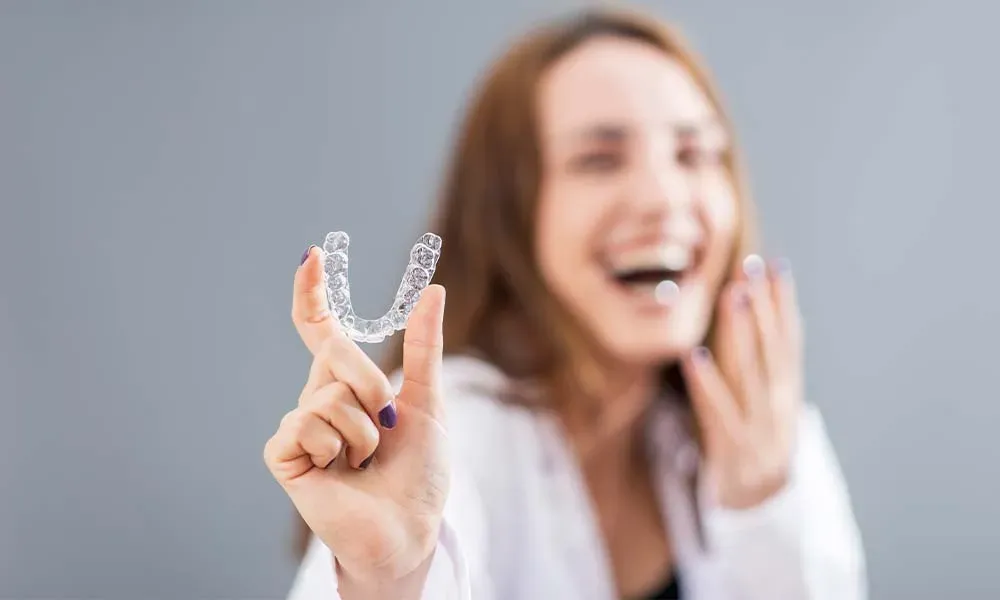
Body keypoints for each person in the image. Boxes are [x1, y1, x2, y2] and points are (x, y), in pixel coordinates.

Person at [264, 7, 867, 600]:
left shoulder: (756, 432)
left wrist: (762, 505)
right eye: (598, 159)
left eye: (695, 154)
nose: (665, 196)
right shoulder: (450, 436)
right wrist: (388, 583)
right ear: (512, 217)